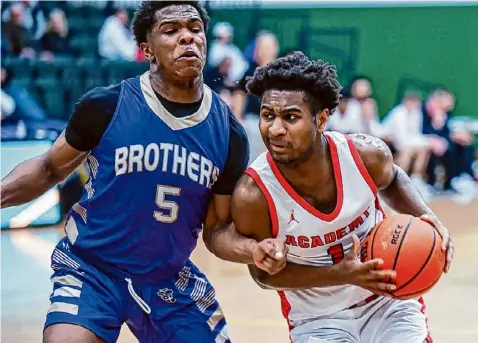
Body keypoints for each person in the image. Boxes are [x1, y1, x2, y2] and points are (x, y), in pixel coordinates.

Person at [0, 2, 287, 343]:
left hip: (168, 278)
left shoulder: (228, 133)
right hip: (92, 269)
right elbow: (48, 169)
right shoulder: (106, 105)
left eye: (195, 29)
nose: (187, 38)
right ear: (146, 48)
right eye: (171, 31)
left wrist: (252, 250)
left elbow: (216, 232)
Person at [229, 52, 454, 343]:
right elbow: (265, 276)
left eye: (291, 117)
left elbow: (393, 177)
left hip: (386, 302)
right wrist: (341, 274)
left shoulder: (365, 155)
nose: (275, 129)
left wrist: (429, 218)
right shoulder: (253, 194)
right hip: (317, 319)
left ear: (321, 119)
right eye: (267, 115)